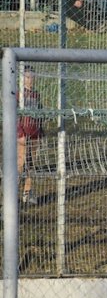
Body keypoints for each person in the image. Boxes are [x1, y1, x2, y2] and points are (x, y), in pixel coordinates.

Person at [17, 67, 43, 205]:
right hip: (22, 134)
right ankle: (13, 193)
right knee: (20, 163)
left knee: (31, 164)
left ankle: (28, 192)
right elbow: (15, 115)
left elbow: (39, 114)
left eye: (32, 77)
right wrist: (20, 133)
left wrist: (41, 130)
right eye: (27, 77)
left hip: (34, 133)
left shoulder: (36, 95)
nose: (30, 80)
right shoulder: (18, 94)